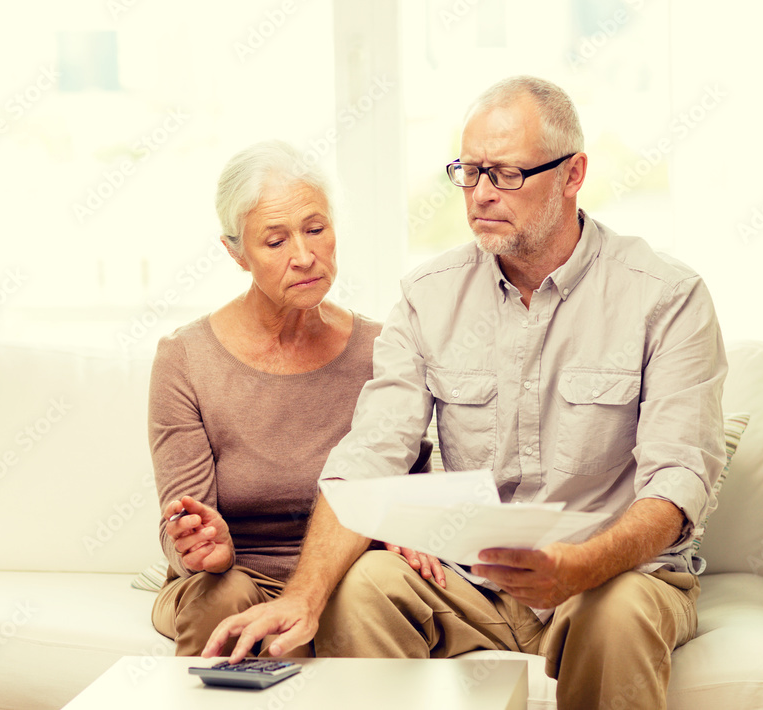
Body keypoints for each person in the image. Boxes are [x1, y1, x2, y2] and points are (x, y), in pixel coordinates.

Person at [202, 77, 727, 708]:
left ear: (572, 174)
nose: (479, 195)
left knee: (615, 614)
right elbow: (370, 457)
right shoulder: (428, 295)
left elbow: (677, 482)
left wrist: (578, 568)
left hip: (611, 577)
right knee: (363, 587)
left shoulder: (665, 296)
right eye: (469, 172)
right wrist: (302, 597)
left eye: (505, 174)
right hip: (471, 585)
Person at [148, 140, 427, 657]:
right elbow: (178, 523)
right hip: (232, 575)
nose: (304, 256)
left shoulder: (382, 347)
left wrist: (403, 520)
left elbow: (417, 482)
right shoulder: (184, 358)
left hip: (344, 573)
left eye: (316, 230)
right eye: (275, 242)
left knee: (368, 589)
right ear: (236, 253)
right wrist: (200, 547)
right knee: (222, 596)